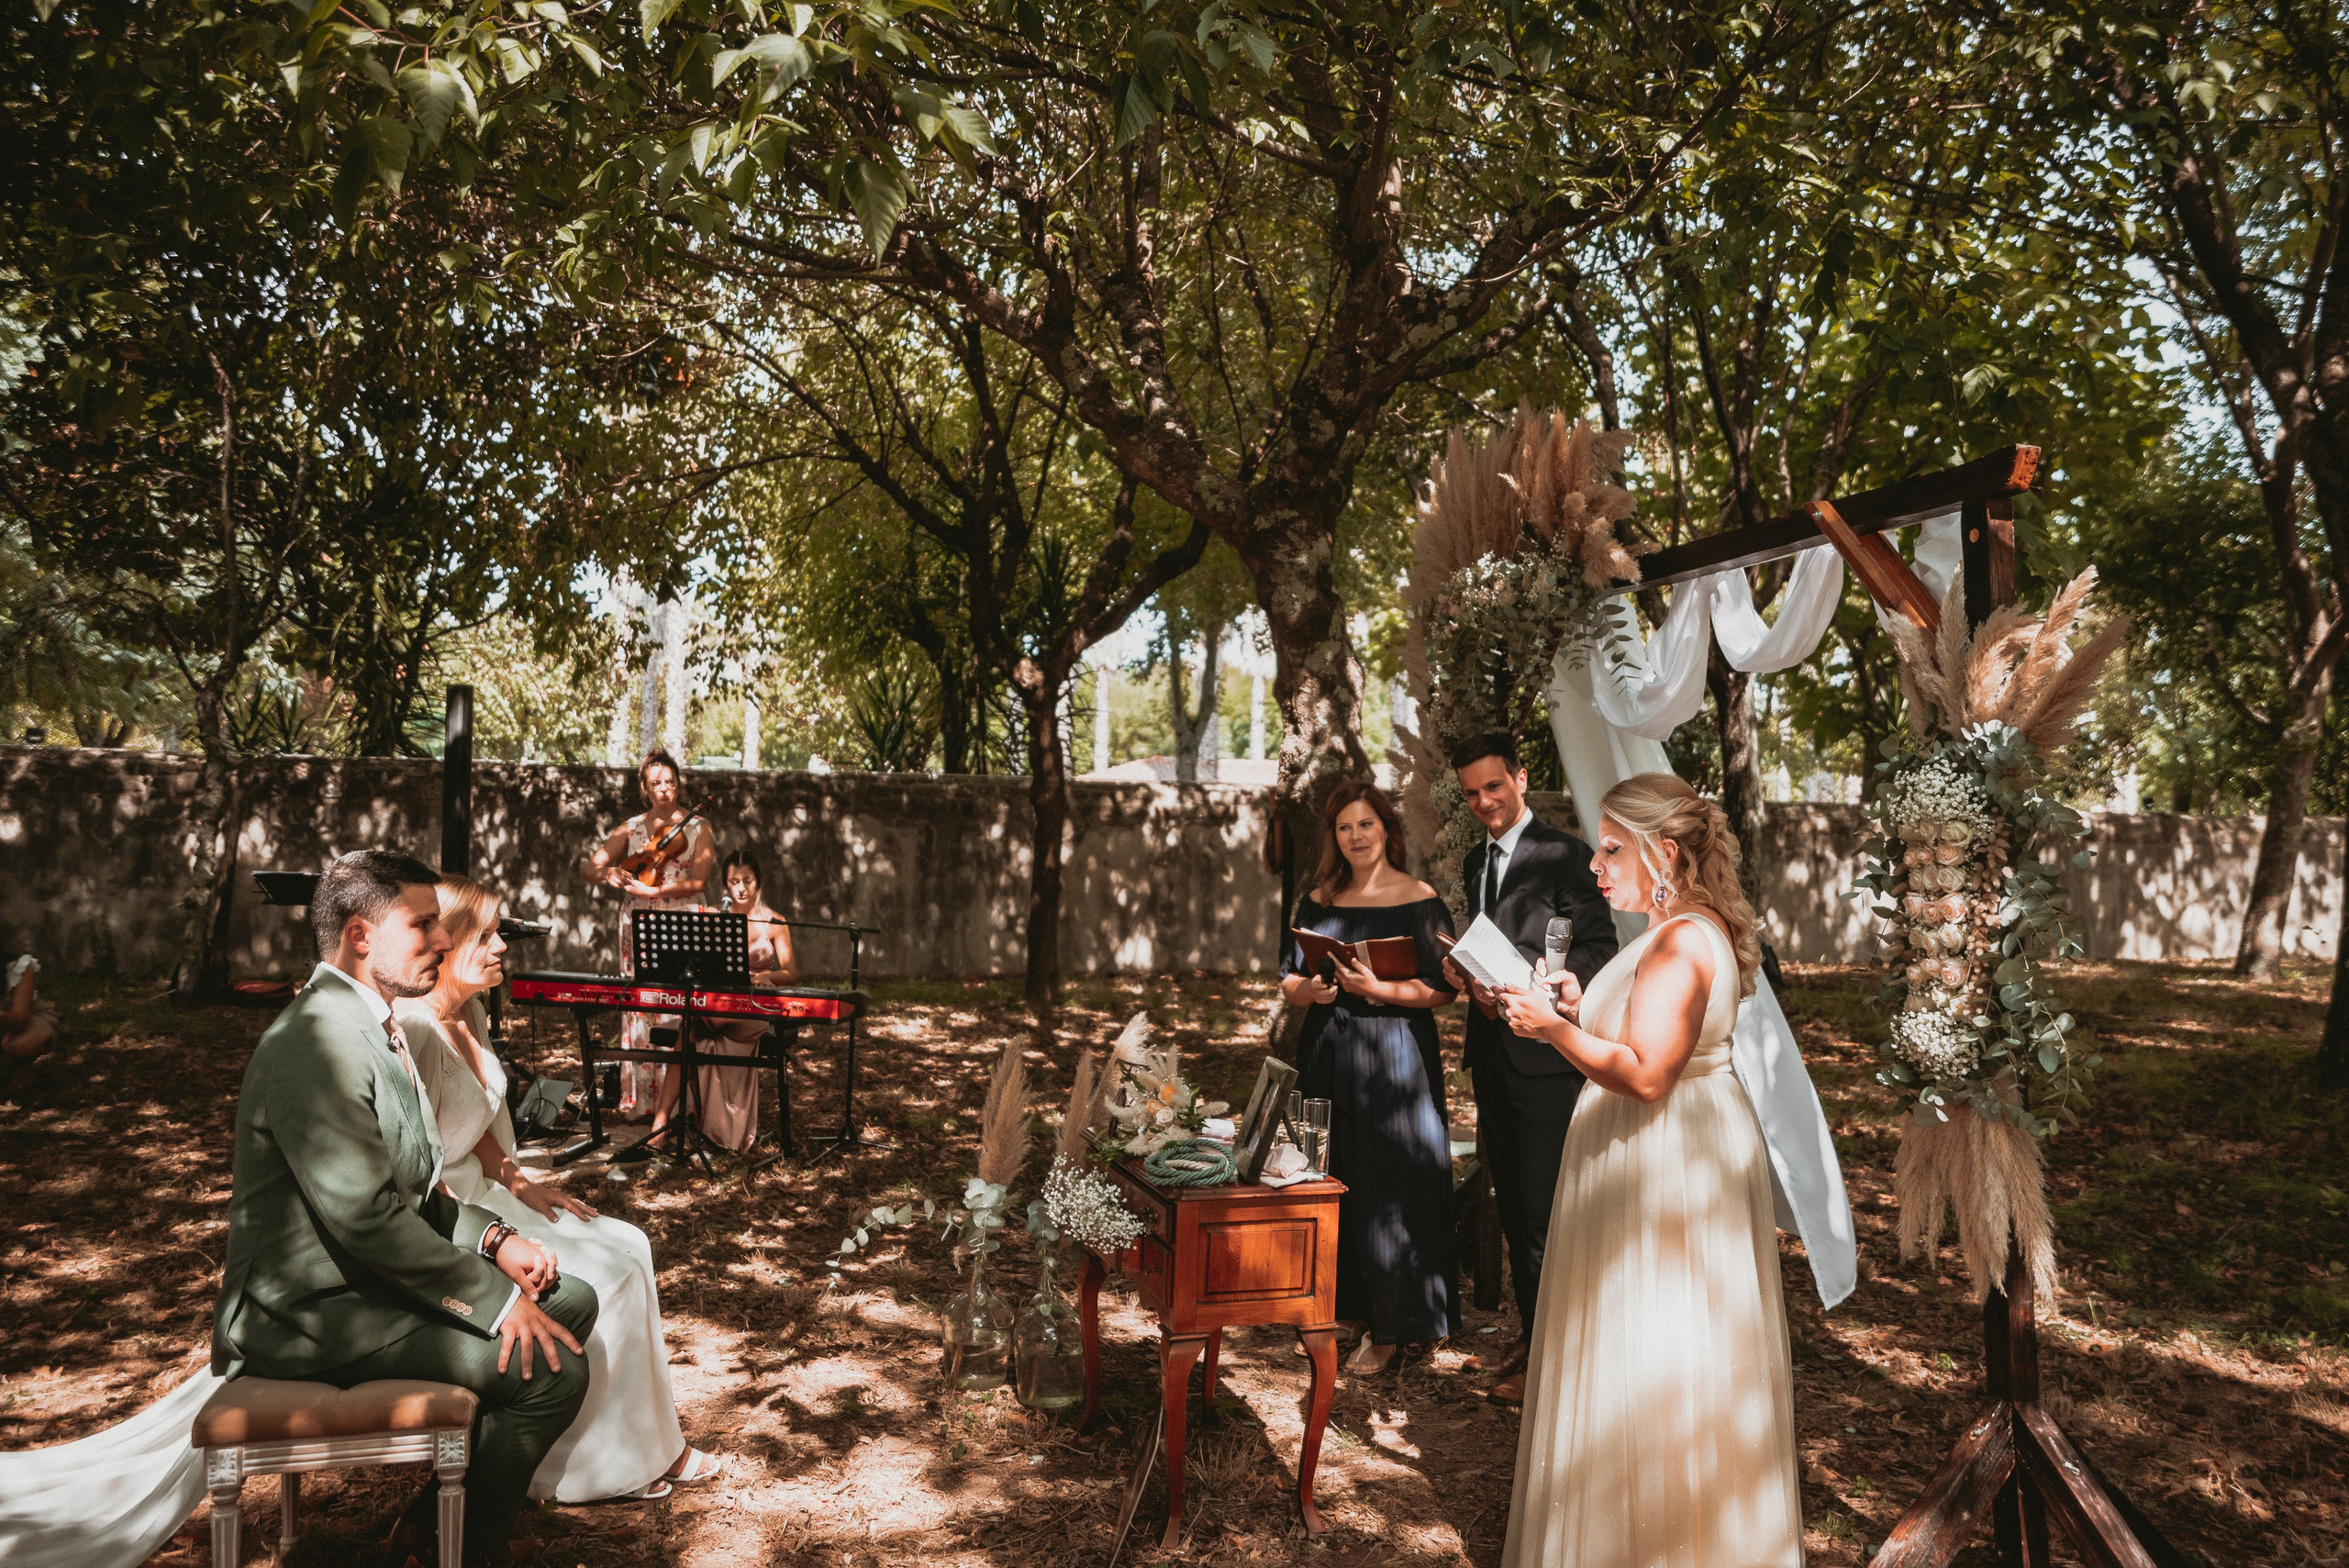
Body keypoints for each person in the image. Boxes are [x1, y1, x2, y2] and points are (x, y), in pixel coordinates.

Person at [211, 851, 597, 1566]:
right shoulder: (316, 1041)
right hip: (306, 1312)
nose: (444, 940)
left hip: (362, 1284)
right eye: (423, 926)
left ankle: (432, 1526)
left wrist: (497, 1240)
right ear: (361, 936)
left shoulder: (372, 1019)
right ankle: (476, 1547)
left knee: (570, 1300)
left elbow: (414, 1191)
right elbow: (367, 1218)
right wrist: (494, 1300)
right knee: (554, 1372)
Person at [1495, 773, 1802, 1566]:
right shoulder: (1681, 930)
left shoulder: (1678, 940)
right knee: (1661, 1352)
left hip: (1666, 1162)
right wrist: (1574, 1006)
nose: (1597, 866)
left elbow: (1647, 1073)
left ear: (1664, 851)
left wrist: (1550, 1033)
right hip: (1667, 1149)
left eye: (1611, 847)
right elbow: (1643, 1032)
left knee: (1658, 1352)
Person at [395, 876, 720, 1501]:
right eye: (486, 935)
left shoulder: (470, 1010)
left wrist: (527, 1184)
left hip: (492, 1194)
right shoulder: (416, 1028)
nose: (500, 948)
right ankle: (580, 1466)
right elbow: (417, 1167)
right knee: (610, 1274)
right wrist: (493, 1237)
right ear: (450, 939)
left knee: (632, 1242)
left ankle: (649, 1442)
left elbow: (479, 1126)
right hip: (457, 1218)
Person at [1439, 731, 1617, 1407]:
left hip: (1547, 1064)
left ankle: (1554, 1366)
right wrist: (1469, 977)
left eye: (1494, 785)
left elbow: (1597, 950)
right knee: (1511, 1208)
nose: (1484, 801)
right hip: (1491, 1055)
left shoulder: (1567, 856)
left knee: (1546, 1215)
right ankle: (1534, 1334)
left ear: (1521, 775)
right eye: (1472, 792)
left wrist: (1548, 989)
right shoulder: (1473, 862)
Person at [1279, 781, 1459, 1374]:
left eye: (1366, 824)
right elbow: (1287, 978)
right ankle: (1341, 1305)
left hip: (1396, 1054)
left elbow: (1441, 988)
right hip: (1328, 1050)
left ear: (1387, 829)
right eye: (1344, 828)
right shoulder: (1319, 897)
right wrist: (1313, 989)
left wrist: (1377, 989)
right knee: (1332, 1175)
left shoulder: (1420, 897)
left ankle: (1394, 1325)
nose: (1356, 836)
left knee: (1390, 1180)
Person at [582, 748, 715, 1152]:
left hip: (682, 915)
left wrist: (656, 890)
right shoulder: (632, 827)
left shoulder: (699, 826)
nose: (664, 789)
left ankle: (681, 1105)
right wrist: (611, 872)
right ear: (645, 788)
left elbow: (698, 881)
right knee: (642, 1003)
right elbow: (590, 867)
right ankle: (642, 1103)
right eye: (655, 782)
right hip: (637, 920)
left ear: (679, 784)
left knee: (679, 1007)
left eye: (670, 781)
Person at [700, 849, 797, 1152]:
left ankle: (678, 1127)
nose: (741, 888)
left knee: (692, 1028)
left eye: (748, 880)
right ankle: (702, 1126)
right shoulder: (716, 916)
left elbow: (791, 972)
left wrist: (769, 976)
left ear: (759, 881)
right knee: (697, 1030)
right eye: (734, 881)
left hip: (755, 1007)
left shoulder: (774, 921)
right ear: (725, 885)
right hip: (721, 1003)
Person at [1, 929, 59, 1093]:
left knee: (18, 1044)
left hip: (28, 1020)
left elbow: (21, 1019)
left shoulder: (17, 967)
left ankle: (23, 1070)